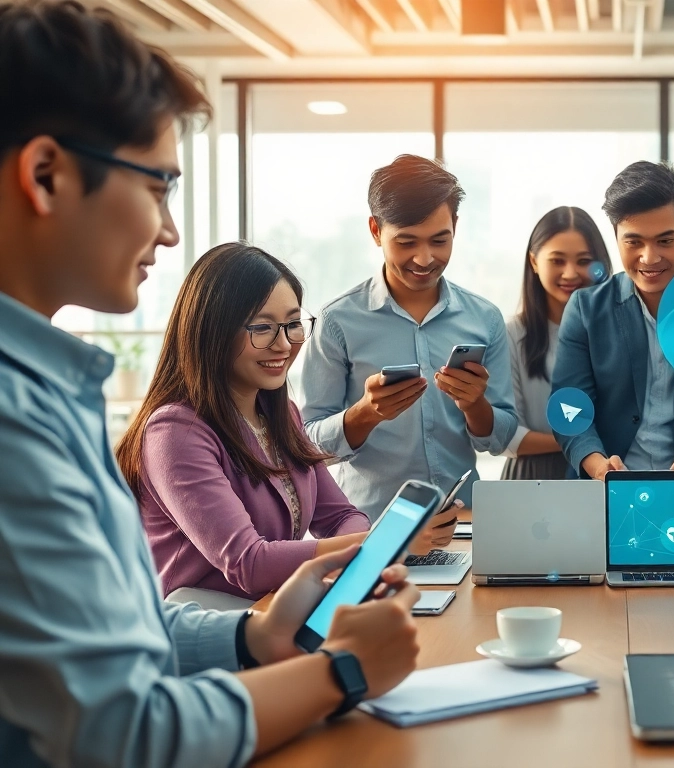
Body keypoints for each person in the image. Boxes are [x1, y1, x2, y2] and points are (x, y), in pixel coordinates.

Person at [0, 3, 419, 765]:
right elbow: (122, 732)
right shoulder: (22, 420)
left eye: (294, 325)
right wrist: (341, 672)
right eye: (158, 186)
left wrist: (251, 634)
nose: (167, 228)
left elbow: (119, 629)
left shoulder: (47, 392)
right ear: (47, 175)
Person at [117, 243, 451, 606]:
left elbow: (340, 515)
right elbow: (249, 563)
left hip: (275, 611)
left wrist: (363, 545)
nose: (284, 344)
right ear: (213, 332)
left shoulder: (280, 414)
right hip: (210, 633)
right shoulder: (175, 433)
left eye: (292, 324)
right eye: (262, 328)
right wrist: (382, 542)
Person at [298, 154, 519, 512]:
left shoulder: (485, 319)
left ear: (456, 227)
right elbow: (309, 445)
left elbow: (501, 436)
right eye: (406, 242)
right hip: (372, 528)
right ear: (375, 231)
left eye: (439, 240)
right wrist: (366, 413)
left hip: (463, 523)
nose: (424, 258)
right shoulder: (337, 322)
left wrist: (473, 404)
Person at [551, 161, 674, 479]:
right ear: (616, 236)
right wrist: (597, 465)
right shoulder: (585, 308)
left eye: (665, 241)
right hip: (601, 491)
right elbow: (569, 406)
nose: (649, 258)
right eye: (634, 242)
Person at [501, 206, 613, 480]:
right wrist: (580, 443)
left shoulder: (616, 332)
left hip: (603, 476)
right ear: (535, 262)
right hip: (530, 480)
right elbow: (506, 437)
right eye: (557, 260)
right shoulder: (512, 334)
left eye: (584, 260)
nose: (571, 273)